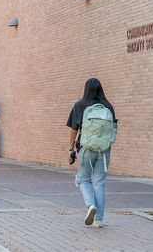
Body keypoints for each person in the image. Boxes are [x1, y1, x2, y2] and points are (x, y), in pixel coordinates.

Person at [67, 78, 117, 228]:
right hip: (103, 150)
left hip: (86, 149)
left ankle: (90, 206)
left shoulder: (80, 105)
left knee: (83, 180)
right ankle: (99, 220)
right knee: (99, 183)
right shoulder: (108, 107)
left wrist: (71, 150)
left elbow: (74, 130)